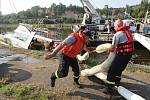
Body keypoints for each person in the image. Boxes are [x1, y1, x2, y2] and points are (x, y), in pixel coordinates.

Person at [102, 19, 134, 94]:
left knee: (111, 71)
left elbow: (113, 48)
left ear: (117, 26)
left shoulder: (118, 34)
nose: (114, 27)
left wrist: (107, 50)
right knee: (119, 69)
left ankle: (109, 88)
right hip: (129, 55)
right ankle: (117, 82)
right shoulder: (128, 32)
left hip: (122, 55)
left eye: (115, 25)